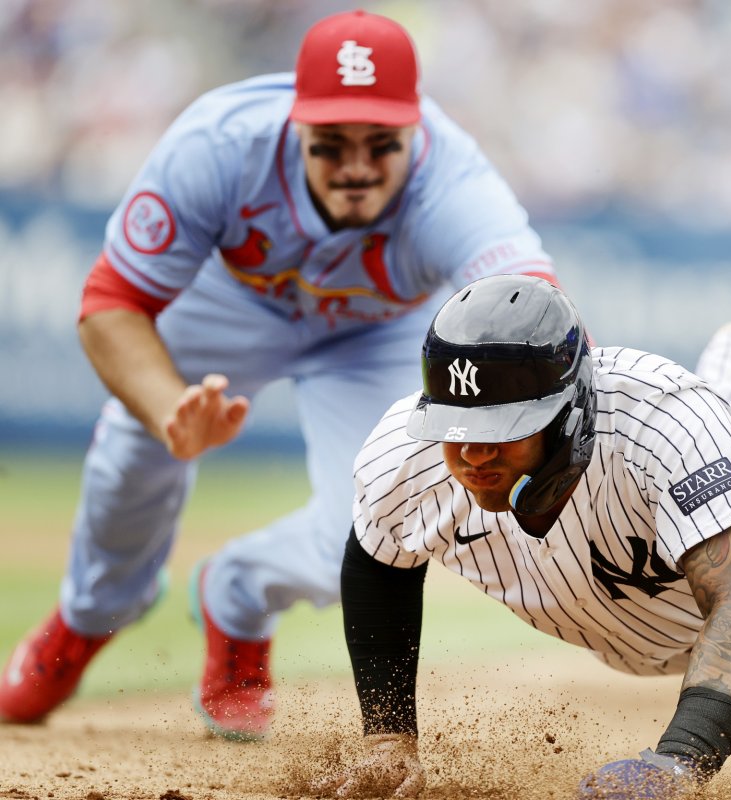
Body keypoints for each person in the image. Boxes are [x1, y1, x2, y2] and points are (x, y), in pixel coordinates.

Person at [0, 10, 560, 740]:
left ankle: (236, 596)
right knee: (132, 454)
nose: (356, 165)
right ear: (293, 125)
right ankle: (88, 617)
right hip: (232, 302)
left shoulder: (453, 181)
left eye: (381, 143)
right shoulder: (220, 144)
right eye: (330, 144)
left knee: (369, 528)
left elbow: (533, 309)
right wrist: (170, 408)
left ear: (416, 130)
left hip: (373, 331)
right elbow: (111, 304)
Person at [318, 275, 731, 798]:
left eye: (504, 426)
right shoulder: (406, 456)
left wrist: (679, 764)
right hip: (632, 621)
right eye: (456, 426)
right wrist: (388, 738)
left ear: (571, 410)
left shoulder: (663, 422)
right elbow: (378, 564)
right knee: (697, 461)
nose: (473, 452)